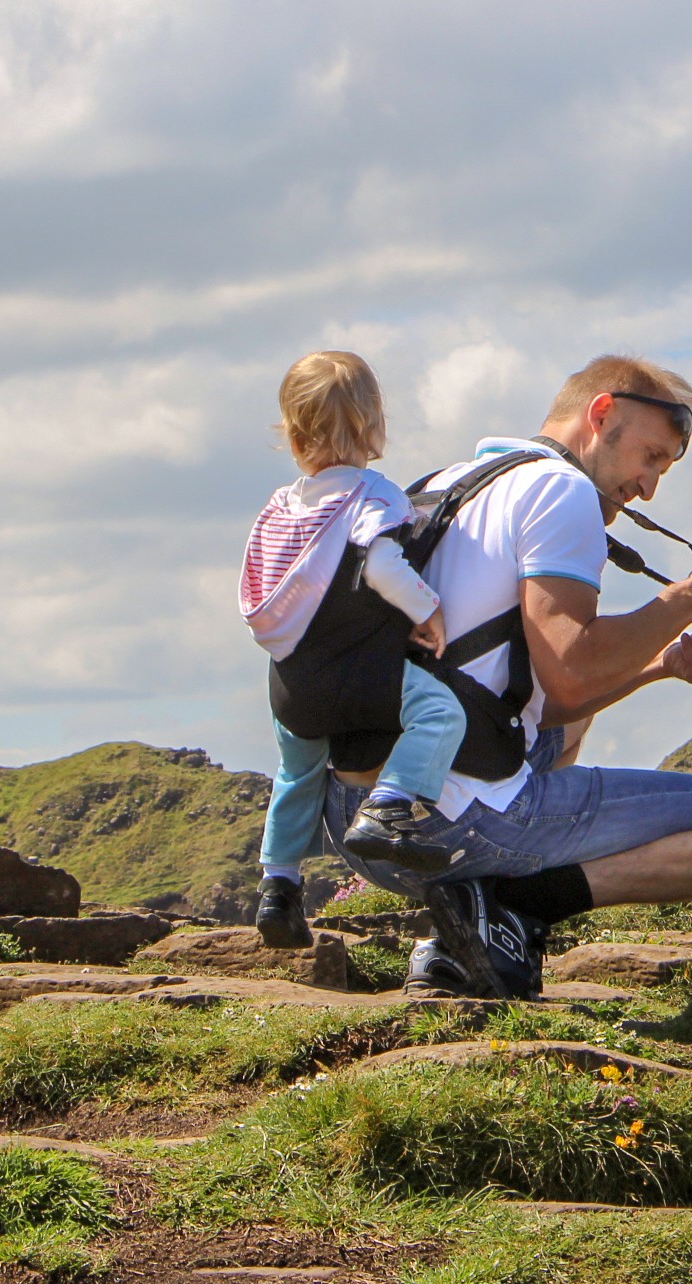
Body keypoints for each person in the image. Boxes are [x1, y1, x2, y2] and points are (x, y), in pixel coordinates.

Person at [321, 355, 692, 998]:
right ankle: (517, 909)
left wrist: (660, 663)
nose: (648, 487)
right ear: (602, 414)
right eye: (651, 457)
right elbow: (572, 671)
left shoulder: (445, 483)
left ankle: (469, 921)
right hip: (451, 824)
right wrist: (688, 600)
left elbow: (531, 699)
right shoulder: (562, 490)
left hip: (361, 816)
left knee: (570, 722)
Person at [238, 350, 466, 948]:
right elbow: (382, 567)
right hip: (364, 675)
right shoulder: (372, 495)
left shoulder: (280, 509)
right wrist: (427, 609)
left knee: (296, 773)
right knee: (441, 714)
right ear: (373, 427)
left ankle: (278, 886)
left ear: (292, 435)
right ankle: (389, 807)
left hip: (293, 684)